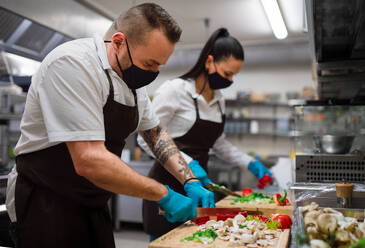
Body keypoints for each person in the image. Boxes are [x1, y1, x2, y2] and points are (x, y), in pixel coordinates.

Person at [5, 3, 214, 248]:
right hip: (45, 202)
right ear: (118, 42)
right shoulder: (73, 64)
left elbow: (154, 133)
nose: (154, 72)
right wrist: (163, 194)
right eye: (149, 64)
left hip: (92, 200)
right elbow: (89, 160)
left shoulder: (132, 81)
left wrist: (189, 179)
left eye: (160, 65)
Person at [138, 28, 273, 239]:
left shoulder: (219, 101)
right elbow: (146, 138)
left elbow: (220, 144)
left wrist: (251, 164)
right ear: (209, 62)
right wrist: (188, 163)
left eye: (234, 76)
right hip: (169, 188)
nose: (229, 80)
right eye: (227, 73)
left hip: (200, 190)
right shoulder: (175, 90)